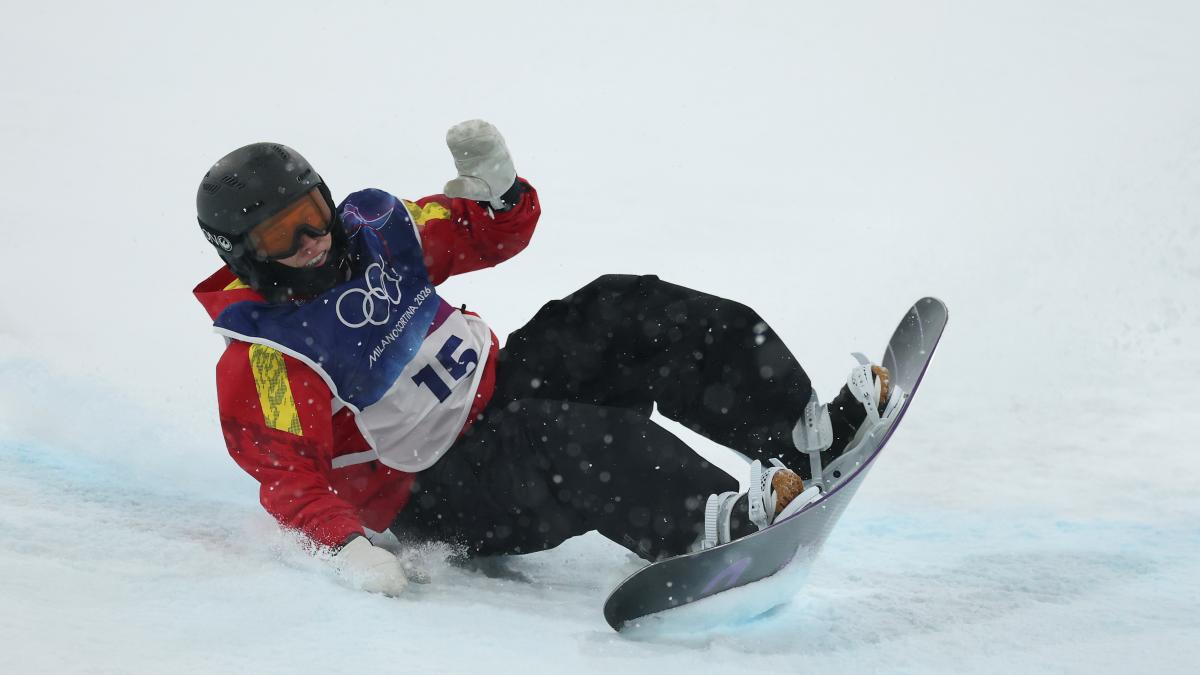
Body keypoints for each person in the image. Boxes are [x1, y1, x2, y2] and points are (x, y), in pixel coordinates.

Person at [192, 120, 902, 596]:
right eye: (284, 236)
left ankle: (801, 436)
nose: (313, 240)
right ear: (247, 255)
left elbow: (482, 238)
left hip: (494, 393)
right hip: (437, 493)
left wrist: (497, 195)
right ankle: (714, 529)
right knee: (559, 441)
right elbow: (287, 478)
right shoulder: (269, 356)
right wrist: (348, 548)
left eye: (312, 212)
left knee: (619, 308)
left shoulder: (379, 231)